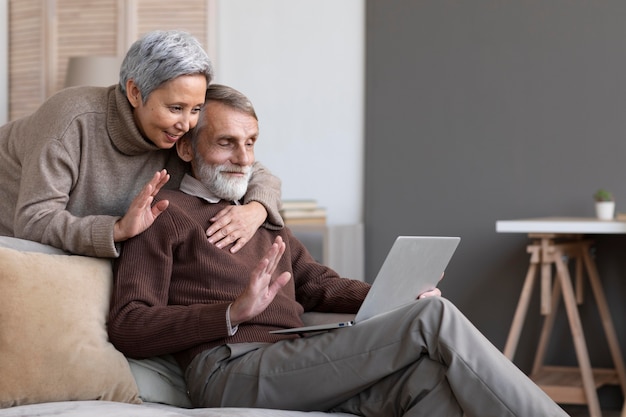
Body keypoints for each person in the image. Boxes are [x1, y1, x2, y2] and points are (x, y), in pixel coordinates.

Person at [108, 84, 568, 417]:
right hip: (228, 370)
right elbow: (129, 324)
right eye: (226, 143)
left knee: (428, 385)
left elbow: (318, 284)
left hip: (294, 356)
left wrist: (394, 296)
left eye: (250, 143)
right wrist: (231, 312)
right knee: (436, 317)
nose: (245, 159)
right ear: (187, 147)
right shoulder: (165, 214)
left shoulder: (260, 216)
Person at [0, 30, 282, 257]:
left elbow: (252, 170)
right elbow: (34, 221)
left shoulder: (179, 134)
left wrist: (254, 211)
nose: (186, 125)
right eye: (175, 108)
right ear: (135, 92)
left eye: (195, 109)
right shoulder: (70, 121)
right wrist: (117, 229)